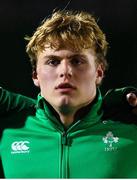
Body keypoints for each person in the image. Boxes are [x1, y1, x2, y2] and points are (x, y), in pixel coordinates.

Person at [1, 10, 137, 178]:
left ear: (99, 72)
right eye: (53, 61)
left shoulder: (132, 127)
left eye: (77, 61)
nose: (65, 71)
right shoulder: (6, 127)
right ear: (35, 75)